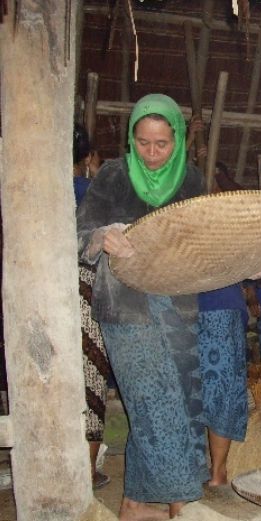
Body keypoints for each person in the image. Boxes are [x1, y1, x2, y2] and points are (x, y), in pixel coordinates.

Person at [77, 94, 208, 520]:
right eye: (143, 143)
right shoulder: (114, 175)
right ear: (132, 138)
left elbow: (203, 241)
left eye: (162, 144)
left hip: (179, 306)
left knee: (182, 400)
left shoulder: (191, 180)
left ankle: (134, 504)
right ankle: (179, 504)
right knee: (153, 401)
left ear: (179, 140)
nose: (151, 154)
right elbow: (80, 233)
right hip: (127, 308)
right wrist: (103, 236)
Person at [197, 166, 249, 487]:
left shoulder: (217, 238)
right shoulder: (226, 237)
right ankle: (217, 471)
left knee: (213, 391)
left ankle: (217, 472)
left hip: (213, 313)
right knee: (221, 391)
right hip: (220, 314)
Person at [73, 124, 111, 490]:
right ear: (87, 159)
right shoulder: (91, 194)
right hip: (87, 295)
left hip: (50, 294)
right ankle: (86, 471)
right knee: (92, 379)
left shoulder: (44, 195)